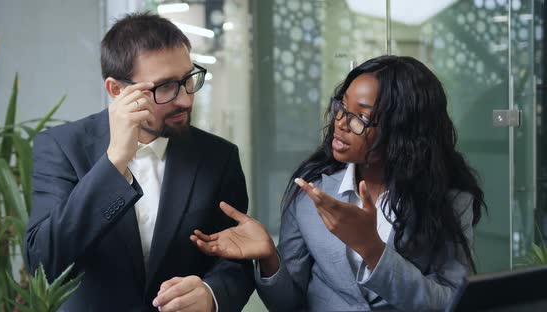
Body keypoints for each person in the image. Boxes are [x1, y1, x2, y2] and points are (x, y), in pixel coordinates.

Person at [191, 55, 486, 311]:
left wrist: (373, 250)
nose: (341, 123)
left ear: (403, 132)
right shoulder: (310, 190)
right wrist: (270, 257)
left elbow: (451, 301)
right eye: (341, 107)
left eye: (360, 116)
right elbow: (288, 304)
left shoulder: (450, 198)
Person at [24, 12, 254, 311]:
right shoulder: (62, 147)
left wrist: (212, 293)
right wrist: (114, 162)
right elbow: (43, 260)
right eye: (166, 87)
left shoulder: (219, 157)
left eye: (188, 79)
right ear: (117, 90)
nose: (185, 99)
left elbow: (237, 259)